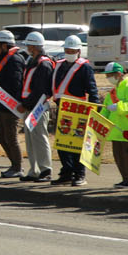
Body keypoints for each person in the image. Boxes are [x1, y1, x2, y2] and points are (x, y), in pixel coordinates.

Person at [50, 35, 98, 186]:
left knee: (77, 144)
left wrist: (94, 110)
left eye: (72, 50)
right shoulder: (58, 65)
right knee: (62, 143)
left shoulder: (85, 67)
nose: (69, 52)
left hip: (79, 111)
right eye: (67, 50)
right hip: (62, 109)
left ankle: (79, 174)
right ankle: (66, 172)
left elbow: (92, 90)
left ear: (78, 50)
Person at [15, 32, 54, 182]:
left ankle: (45, 170)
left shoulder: (43, 64)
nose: (27, 48)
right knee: (31, 140)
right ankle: (35, 170)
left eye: (28, 45)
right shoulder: (33, 61)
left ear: (34, 46)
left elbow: (40, 90)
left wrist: (25, 104)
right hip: (30, 107)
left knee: (40, 138)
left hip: (38, 107)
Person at [0, 30, 27, 178]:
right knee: (0, 136)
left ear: (4, 45)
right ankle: (14, 164)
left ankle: (17, 167)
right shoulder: (6, 58)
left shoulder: (14, 60)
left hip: (10, 106)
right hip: (2, 105)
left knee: (11, 137)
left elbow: (15, 85)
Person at [99, 62, 128, 188]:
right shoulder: (113, 90)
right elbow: (106, 108)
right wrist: (100, 119)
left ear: (118, 74)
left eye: (110, 75)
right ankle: (124, 179)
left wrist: (118, 107)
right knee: (118, 156)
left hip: (127, 127)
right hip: (115, 129)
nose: (108, 78)